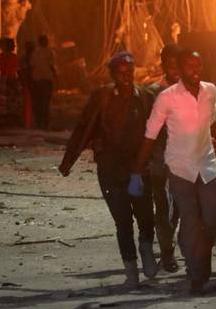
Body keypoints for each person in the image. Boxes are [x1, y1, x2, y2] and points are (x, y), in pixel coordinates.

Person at [132, 49, 216, 295]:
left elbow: (211, 124)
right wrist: (137, 170)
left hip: (207, 165)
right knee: (190, 219)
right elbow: (150, 135)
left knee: (213, 217)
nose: (195, 70)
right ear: (179, 68)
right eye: (189, 65)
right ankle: (197, 275)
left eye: (198, 65)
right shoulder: (167, 97)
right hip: (180, 167)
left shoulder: (210, 91)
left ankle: (195, 254)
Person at [60, 52, 157, 288]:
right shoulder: (101, 98)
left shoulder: (146, 98)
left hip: (138, 170)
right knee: (123, 221)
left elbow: (158, 132)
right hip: (111, 170)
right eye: (121, 73)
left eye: (130, 72)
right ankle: (131, 271)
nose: (126, 77)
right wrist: (69, 159)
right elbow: (85, 128)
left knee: (146, 216)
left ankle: (146, 249)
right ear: (112, 74)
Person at [146, 44, 181, 273]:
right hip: (160, 158)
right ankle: (167, 253)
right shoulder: (154, 92)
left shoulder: (193, 90)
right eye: (171, 65)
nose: (175, 69)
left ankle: (170, 248)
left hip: (184, 159)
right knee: (163, 206)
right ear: (163, 65)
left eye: (179, 65)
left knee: (177, 207)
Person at [31, 35, 57, 130]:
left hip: (37, 80)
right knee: (46, 102)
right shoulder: (50, 53)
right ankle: (45, 123)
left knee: (38, 102)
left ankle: (39, 122)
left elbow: (32, 67)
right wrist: (56, 77)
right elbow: (51, 66)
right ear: (46, 42)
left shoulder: (34, 53)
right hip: (47, 80)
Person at [0, 38, 21, 126]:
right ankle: (11, 119)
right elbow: (18, 71)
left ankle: (3, 120)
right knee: (12, 100)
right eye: (13, 45)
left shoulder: (0, 56)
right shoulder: (14, 57)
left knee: (3, 101)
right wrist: (19, 81)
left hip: (4, 79)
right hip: (12, 79)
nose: (13, 46)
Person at [19, 40, 35, 128]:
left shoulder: (24, 58)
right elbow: (24, 71)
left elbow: (21, 71)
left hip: (28, 83)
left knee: (27, 104)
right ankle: (29, 123)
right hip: (30, 83)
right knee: (29, 104)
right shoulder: (29, 58)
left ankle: (28, 122)